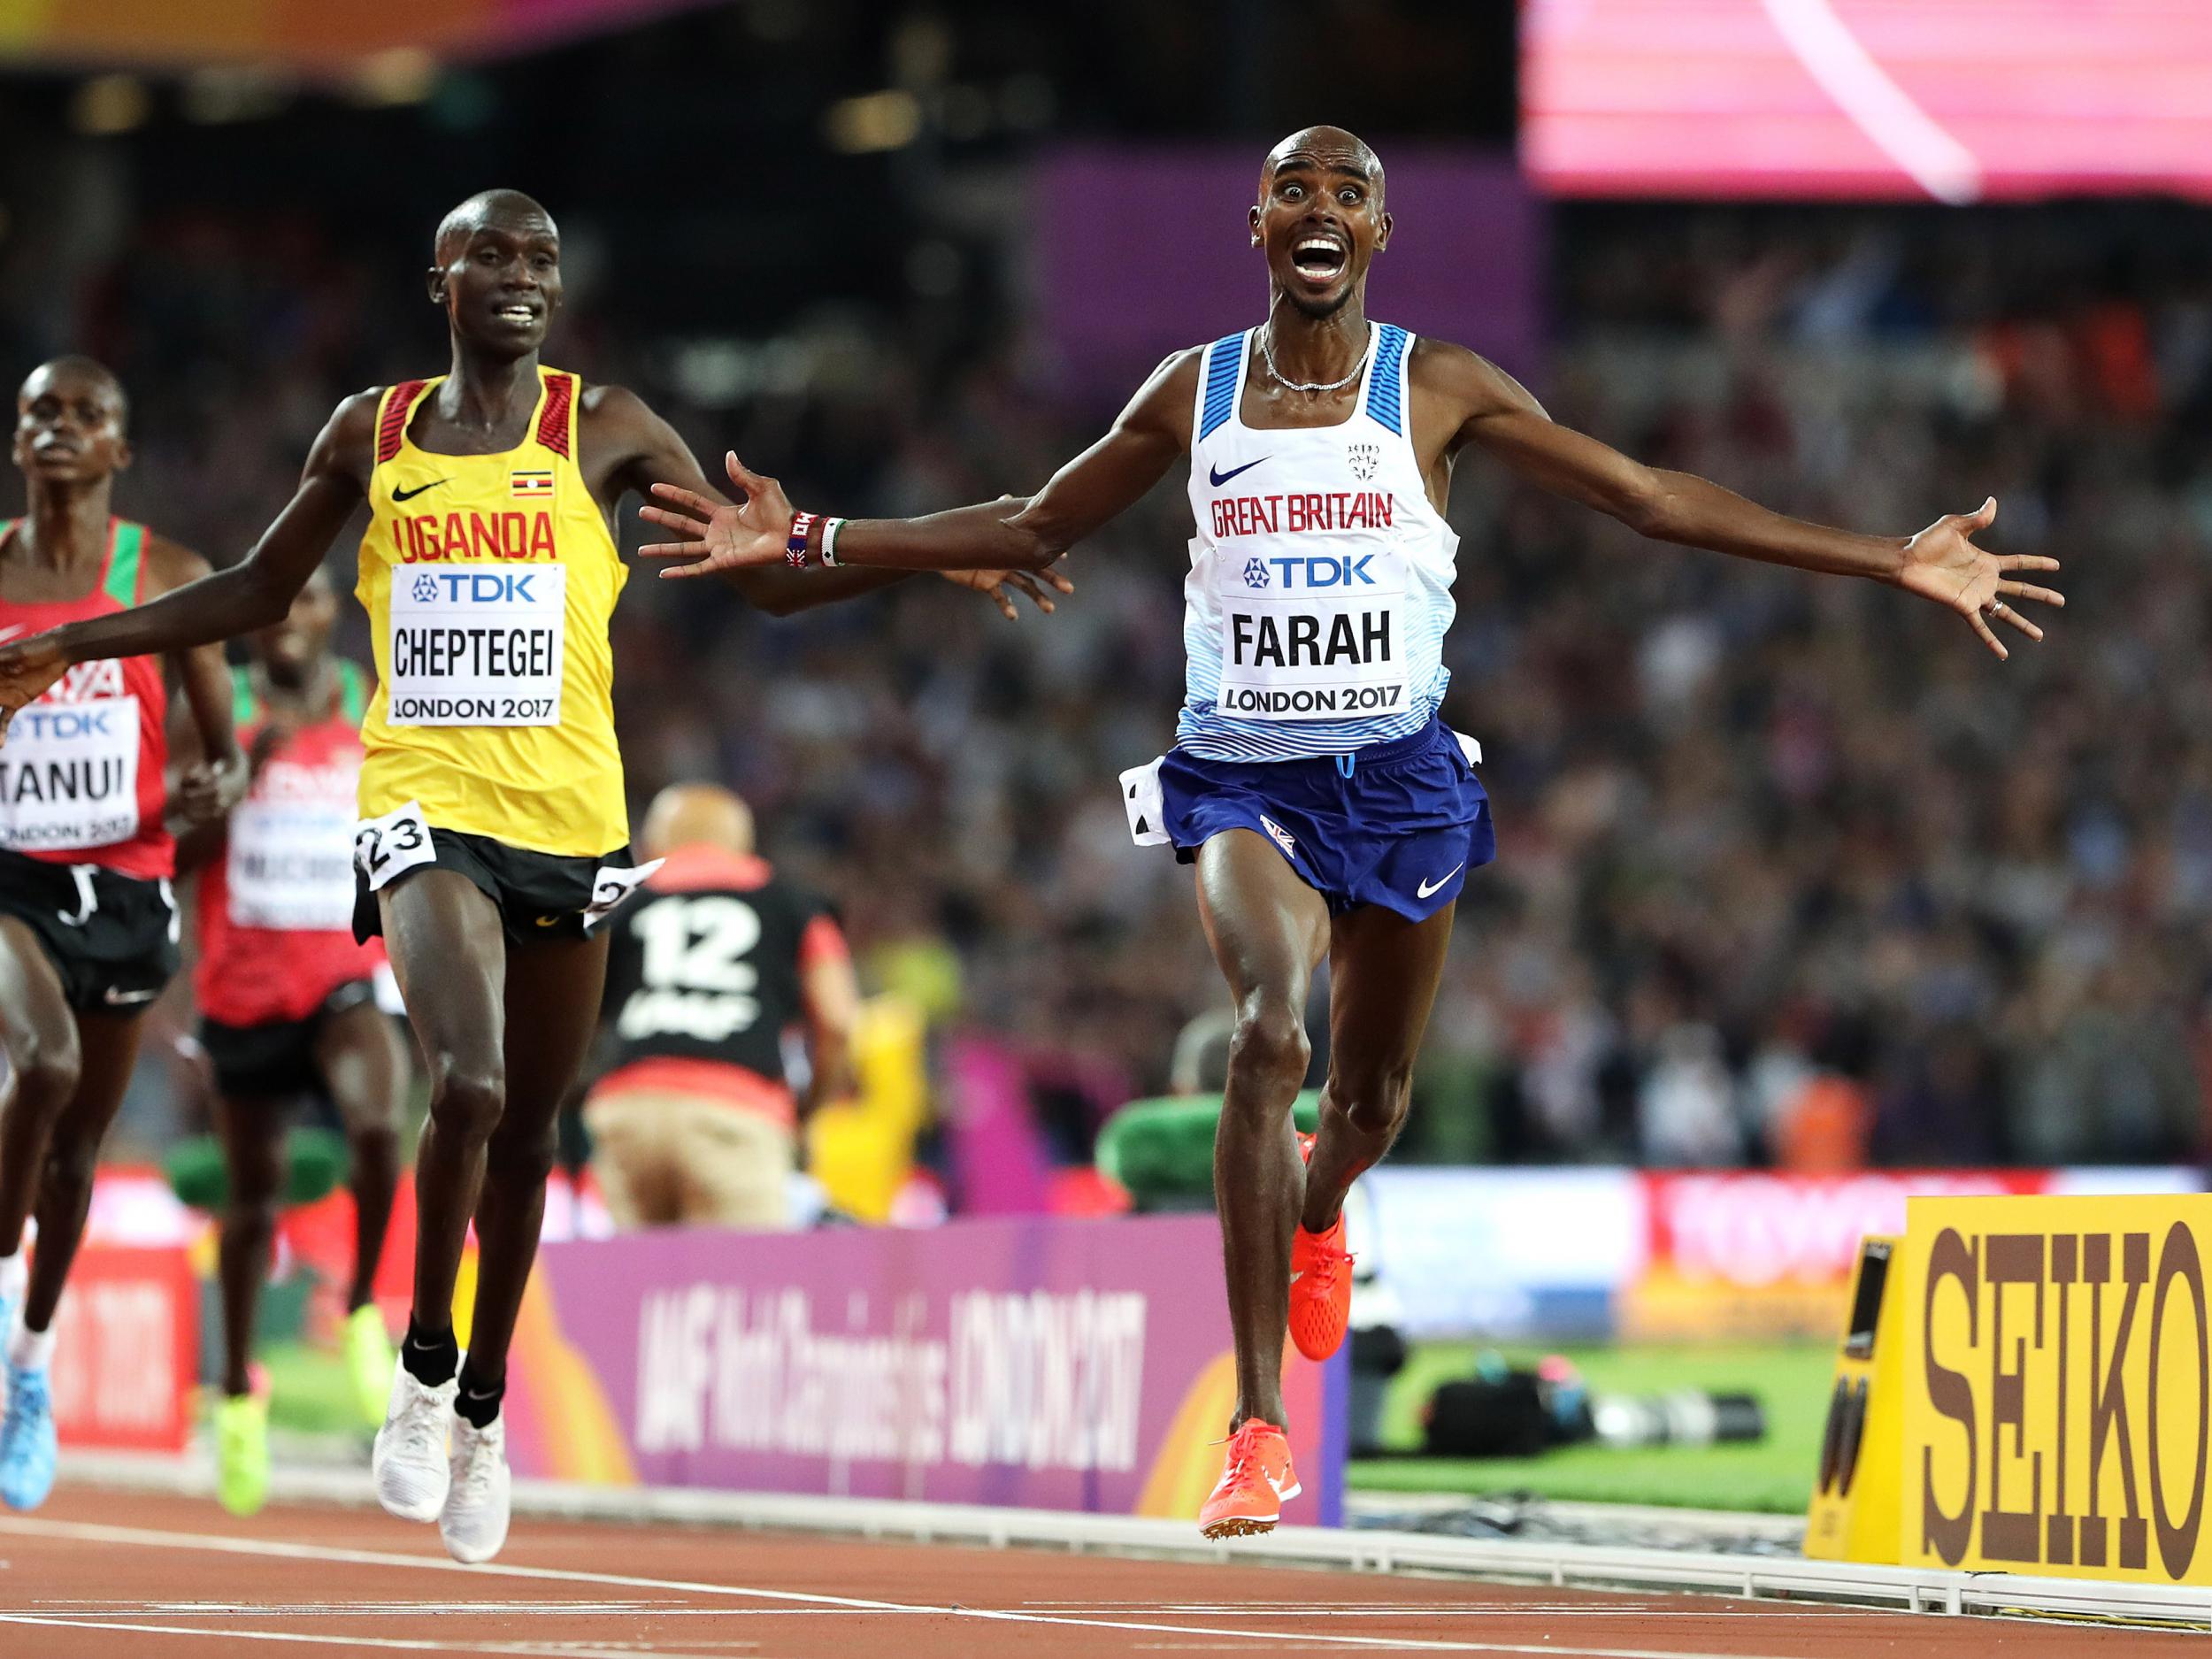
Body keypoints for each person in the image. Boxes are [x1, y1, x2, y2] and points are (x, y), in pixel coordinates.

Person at [637, 127, 2065, 1538]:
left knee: (1369, 1105)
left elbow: (1646, 498)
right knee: (1270, 1037)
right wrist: (815, 539)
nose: (1321, 207)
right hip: (1244, 774)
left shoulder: (1435, 387)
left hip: (1400, 781)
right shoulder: (1191, 391)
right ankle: (1257, 1428)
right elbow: (1029, 526)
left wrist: (1887, 556)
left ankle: (1322, 1209)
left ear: (1380, 234)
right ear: (1256, 225)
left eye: (1351, 193)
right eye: (1295, 188)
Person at [0, 190, 1064, 1562]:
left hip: (571, 816)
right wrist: (88, 636)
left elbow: (763, 574)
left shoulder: (605, 426)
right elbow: (261, 589)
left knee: (529, 1136)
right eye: (491, 256)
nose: (519, 277)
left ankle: (483, 1411)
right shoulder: (368, 433)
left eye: (541, 260)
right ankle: (423, 1363)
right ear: (439, 276)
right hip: (424, 803)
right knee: (473, 1077)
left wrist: (938, 542)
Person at [0, 357, 246, 1511]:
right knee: (40, 1061)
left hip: (129, 887)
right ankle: (3, 1287)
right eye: (41, 410)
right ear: (18, 442)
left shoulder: (170, 577)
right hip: (12, 878)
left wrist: (207, 796)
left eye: (85, 412)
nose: (60, 426)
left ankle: (32, 1371)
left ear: (119, 450)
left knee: (74, 1154)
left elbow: (223, 752)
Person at [174, 567, 406, 1517]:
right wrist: (244, 772)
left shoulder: (367, 698)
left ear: (329, 613)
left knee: (381, 1119)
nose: (291, 618)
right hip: (240, 989)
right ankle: (237, 1397)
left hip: (343, 975)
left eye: (310, 600)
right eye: (275, 602)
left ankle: (358, 1308)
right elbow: (175, 855)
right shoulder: (218, 702)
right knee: (252, 1202)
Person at [585, 781, 856, 1230]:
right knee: (744, 1290)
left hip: (628, 1111)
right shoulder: (792, 903)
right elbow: (839, 1020)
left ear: (654, 841)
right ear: (742, 842)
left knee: (636, 1290)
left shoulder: (618, 904)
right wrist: (807, 1110)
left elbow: (572, 1019)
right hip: (736, 1113)